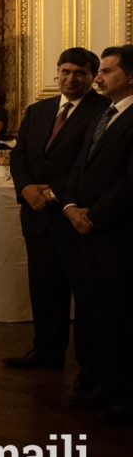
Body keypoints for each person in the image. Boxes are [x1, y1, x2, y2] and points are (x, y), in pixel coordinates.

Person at [5, 48, 108, 381]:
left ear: (93, 76)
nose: (70, 78)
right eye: (65, 71)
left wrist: (49, 190)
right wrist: (25, 188)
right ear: (57, 73)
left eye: (79, 73)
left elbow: (89, 166)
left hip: (72, 217)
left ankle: (89, 366)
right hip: (36, 218)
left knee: (85, 295)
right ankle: (47, 351)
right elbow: (18, 155)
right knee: (44, 290)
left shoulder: (103, 112)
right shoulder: (39, 110)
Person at [61, 45, 133, 424]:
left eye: (106, 71)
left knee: (122, 315)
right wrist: (70, 206)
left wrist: (96, 216)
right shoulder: (105, 113)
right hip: (88, 230)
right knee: (99, 313)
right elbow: (80, 167)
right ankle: (107, 383)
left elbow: (129, 181)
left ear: (130, 76)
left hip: (117, 234)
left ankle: (126, 394)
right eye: (100, 70)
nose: (99, 77)